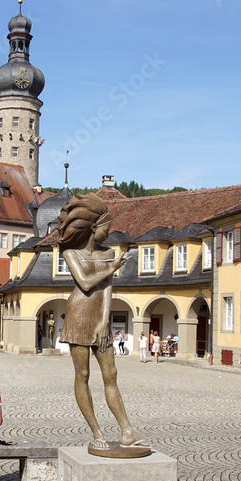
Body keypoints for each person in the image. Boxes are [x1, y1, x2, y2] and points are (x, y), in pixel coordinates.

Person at [57, 193, 147, 451]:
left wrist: (104, 322)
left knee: (111, 374)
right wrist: (112, 268)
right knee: (82, 374)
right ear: (93, 227)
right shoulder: (71, 254)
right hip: (78, 313)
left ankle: (127, 431)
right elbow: (84, 284)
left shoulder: (108, 253)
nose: (108, 234)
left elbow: (107, 289)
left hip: (98, 316)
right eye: (106, 229)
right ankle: (97, 432)